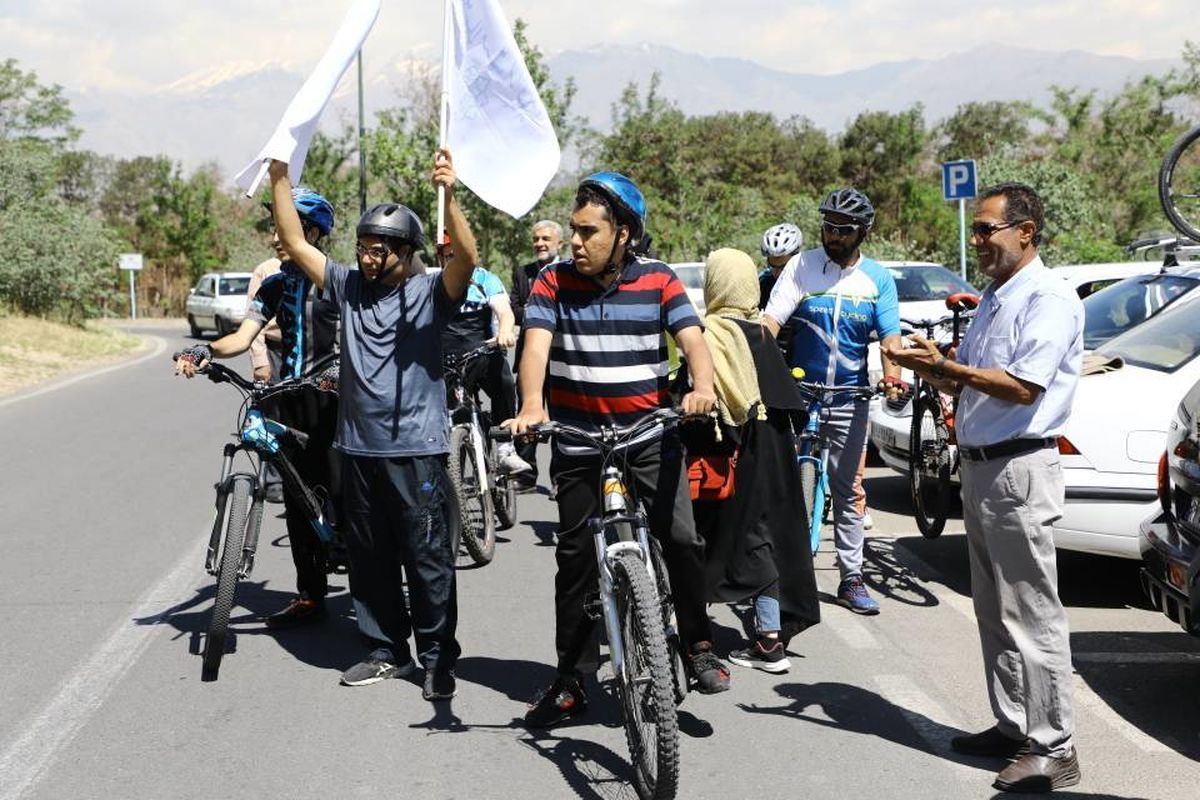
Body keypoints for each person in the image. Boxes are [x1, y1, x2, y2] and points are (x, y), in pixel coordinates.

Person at [508, 171, 730, 727]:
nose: (574, 242)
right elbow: (535, 348)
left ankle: (698, 645)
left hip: (649, 435)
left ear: (624, 233)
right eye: (573, 231)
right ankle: (570, 678)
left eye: (588, 232)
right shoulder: (552, 282)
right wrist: (533, 405)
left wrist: (701, 390)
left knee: (681, 538)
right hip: (580, 441)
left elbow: (692, 341)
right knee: (575, 558)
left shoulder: (659, 280)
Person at [885, 183, 1083, 793]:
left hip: (1019, 470)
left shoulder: (1048, 297)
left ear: (1025, 231)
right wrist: (927, 364)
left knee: (1032, 614)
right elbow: (967, 383)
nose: (976, 242)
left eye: (985, 230)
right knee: (994, 609)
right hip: (981, 469)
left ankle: (1055, 748)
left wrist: (948, 369)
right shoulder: (998, 295)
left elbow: (1023, 387)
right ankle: (1014, 724)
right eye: (975, 230)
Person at [264, 149, 475, 702]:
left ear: (406, 253)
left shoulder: (429, 294)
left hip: (417, 451)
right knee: (370, 560)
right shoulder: (347, 287)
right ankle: (386, 651)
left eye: (377, 249)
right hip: (357, 451)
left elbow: (467, 259)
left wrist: (450, 195)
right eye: (361, 246)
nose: (366, 256)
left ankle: (436, 658)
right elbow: (297, 242)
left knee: (428, 562)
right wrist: (279, 178)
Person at [174, 187, 341, 630]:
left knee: (345, 491)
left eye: (280, 226)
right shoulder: (274, 284)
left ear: (309, 231)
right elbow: (241, 338)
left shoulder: (336, 279)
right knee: (296, 493)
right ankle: (310, 595)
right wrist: (204, 351)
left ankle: (370, 584)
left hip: (334, 397)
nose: (272, 238)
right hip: (289, 395)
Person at [762, 188, 907, 615]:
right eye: (828, 226)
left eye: (843, 229)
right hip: (799, 394)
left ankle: (851, 576)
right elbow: (771, 321)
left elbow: (890, 338)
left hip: (850, 395)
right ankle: (776, 577)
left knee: (849, 492)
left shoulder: (877, 279)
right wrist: (758, 365)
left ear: (863, 232)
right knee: (782, 486)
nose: (833, 235)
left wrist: (894, 378)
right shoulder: (802, 267)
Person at [679, 248, 819, 673]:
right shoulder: (761, 335)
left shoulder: (709, 334)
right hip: (773, 454)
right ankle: (769, 640)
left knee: (706, 538)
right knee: (765, 537)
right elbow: (791, 405)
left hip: (725, 453)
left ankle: (687, 627)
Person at [441, 260, 530, 474]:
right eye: (448, 253)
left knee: (504, 381)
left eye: (458, 252)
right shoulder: (435, 280)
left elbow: (505, 312)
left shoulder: (486, 279)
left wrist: (506, 331)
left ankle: (505, 449)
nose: (454, 257)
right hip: (447, 358)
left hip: (483, 352)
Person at [510, 220, 565, 490]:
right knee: (527, 414)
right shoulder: (523, 272)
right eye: (536, 239)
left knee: (560, 418)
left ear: (560, 244)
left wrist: (536, 311)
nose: (540, 243)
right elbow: (515, 308)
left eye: (545, 238)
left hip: (561, 358)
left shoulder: (571, 273)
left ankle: (560, 479)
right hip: (528, 355)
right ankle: (526, 474)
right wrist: (544, 312)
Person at [758, 222, 802, 362]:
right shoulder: (763, 282)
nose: (777, 274)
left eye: (783, 267)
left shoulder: (808, 282)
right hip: (772, 357)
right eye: (773, 266)